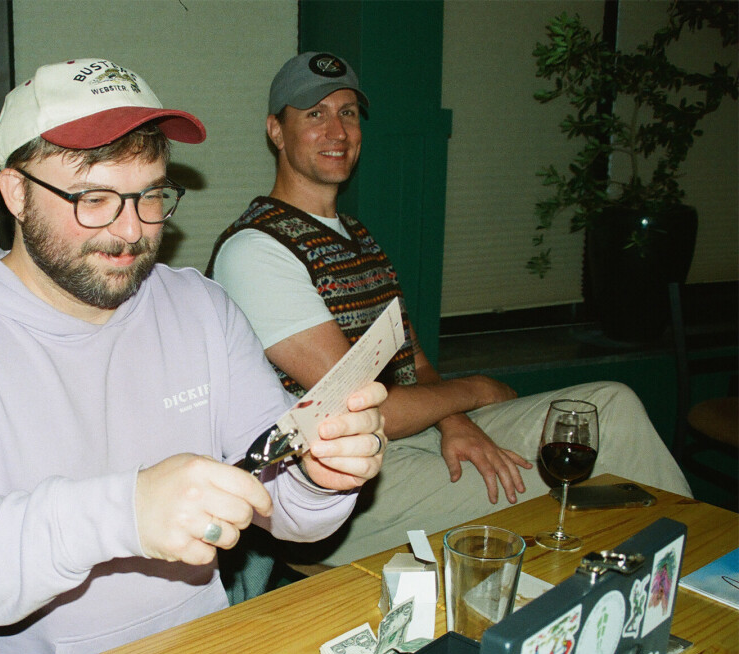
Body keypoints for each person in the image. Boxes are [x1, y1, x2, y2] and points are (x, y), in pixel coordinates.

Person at [0, 57, 389, 654]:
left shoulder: (199, 309)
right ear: (15, 193)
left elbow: (288, 506)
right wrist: (124, 512)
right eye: (95, 198)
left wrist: (322, 475)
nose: (132, 230)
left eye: (152, 194)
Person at [207, 51, 692, 567]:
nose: (337, 130)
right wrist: (476, 391)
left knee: (611, 406)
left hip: (409, 438)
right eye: (314, 114)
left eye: (348, 112)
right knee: (562, 485)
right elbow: (353, 409)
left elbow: (412, 365)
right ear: (276, 132)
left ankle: (706, 570)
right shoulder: (255, 251)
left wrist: (456, 421)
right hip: (332, 488)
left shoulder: (360, 239)